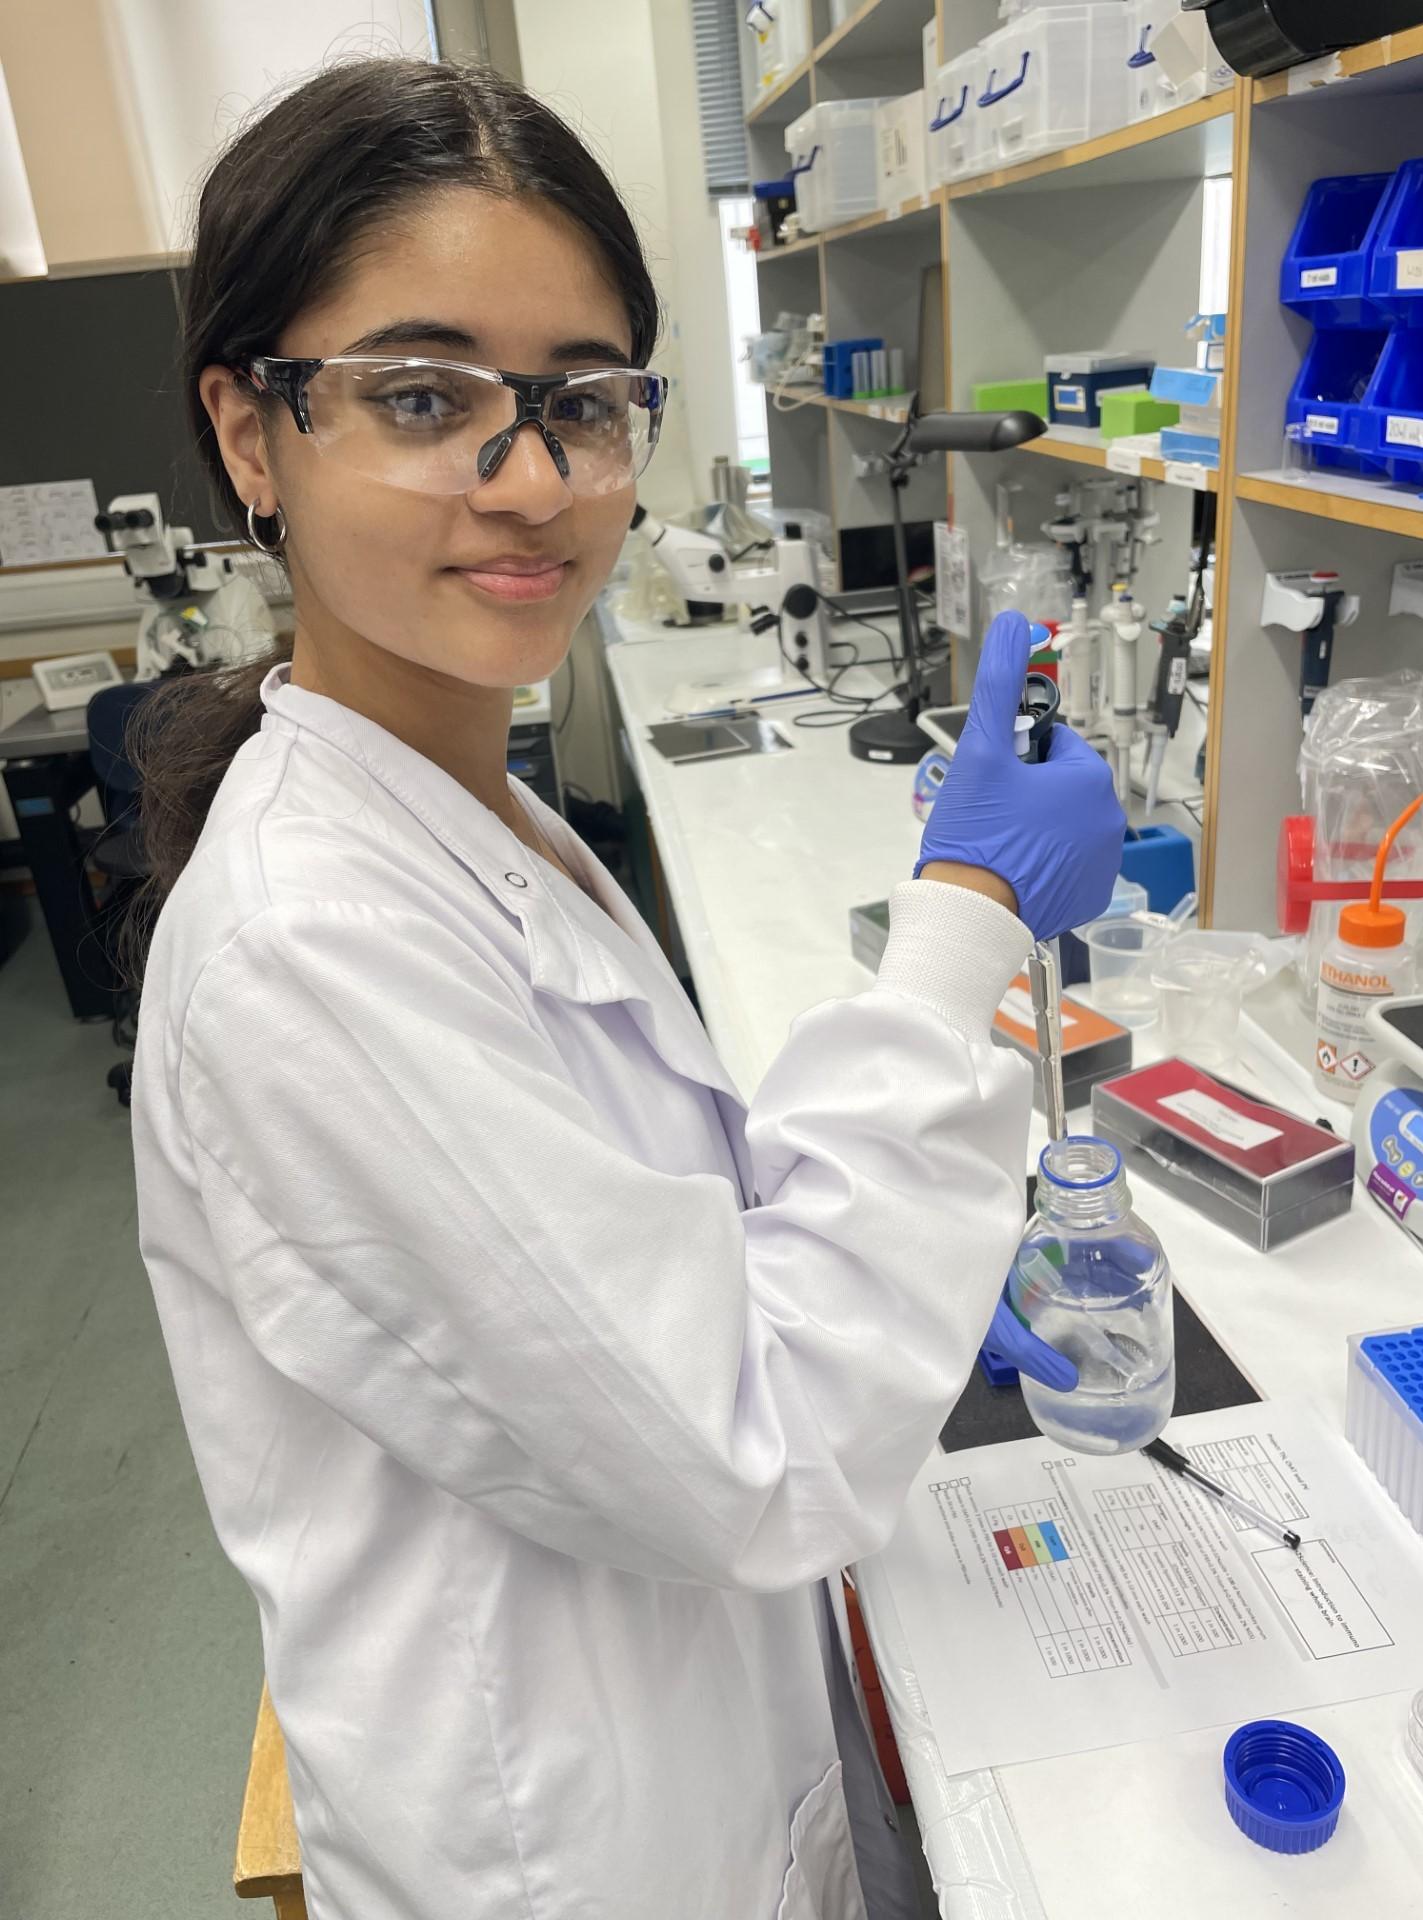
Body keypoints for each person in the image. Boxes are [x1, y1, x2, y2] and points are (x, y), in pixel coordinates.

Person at [129, 58, 1125, 1920]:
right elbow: (756, 1449)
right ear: (253, 436)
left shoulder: (457, 798)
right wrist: (966, 917)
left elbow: (601, 1231)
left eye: (581, 402)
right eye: (421, 397)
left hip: (684, 1718)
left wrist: (876, 1263)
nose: (531, 486)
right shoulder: (305, 943)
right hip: (578, 1848)